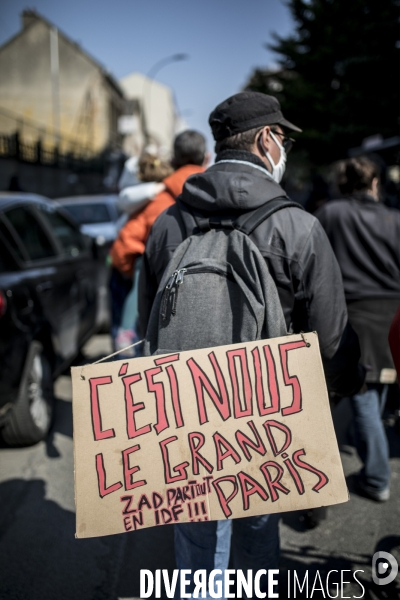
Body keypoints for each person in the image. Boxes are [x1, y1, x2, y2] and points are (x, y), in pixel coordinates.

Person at [138, 92, 364, 599]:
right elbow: (330, 337)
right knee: (259, 524)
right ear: (266, 140)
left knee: (196, 531)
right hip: (265, 417)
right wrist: (343, 389)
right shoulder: (298, 226)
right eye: (282, 137)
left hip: (186, 414)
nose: (284, 146)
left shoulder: (167, 223)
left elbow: (147, 327)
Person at [316, 156, 400, 502]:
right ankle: (374, 468)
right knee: (375, 394)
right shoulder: (394, 218)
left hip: (353, 315)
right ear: (375, 183)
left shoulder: (330, 214)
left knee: (363, 399)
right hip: (393, 315)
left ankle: (377, 477)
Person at [110, 131, 208, 353]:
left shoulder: (158, 198)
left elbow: (126, 244)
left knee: (128, 345)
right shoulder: (216, 195)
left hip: (141, 279)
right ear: (206, 158)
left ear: (174, 159)